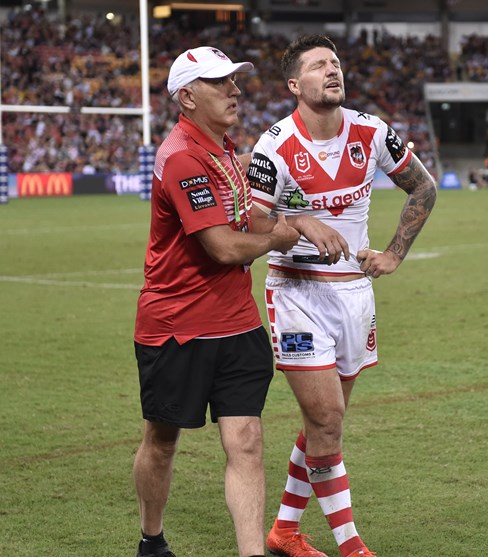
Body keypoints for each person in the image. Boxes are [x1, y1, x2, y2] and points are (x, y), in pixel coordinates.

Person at [246, 34, 437, 557]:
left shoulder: (371, 132)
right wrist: (302, 223)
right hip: (297, 294)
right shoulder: (274, 147)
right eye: (317, 66)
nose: (332, 71)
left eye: (335, 63)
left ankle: (284, 531)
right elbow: (253, 221)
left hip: (355, 295)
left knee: (322, 424)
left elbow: (424, 187)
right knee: (327, 420)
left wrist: (395, 252)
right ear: (294, 85)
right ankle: (351, 547)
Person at [132, 46, 304, 557]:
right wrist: (278, 239)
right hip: (176, 329)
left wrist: (292, 221)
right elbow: (224, 246)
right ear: (187, 96)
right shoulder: (182, 156)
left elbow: (246, 220)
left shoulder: (225, 149)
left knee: (247, 441)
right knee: (162, 442)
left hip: (237, 325)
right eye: (219, 82)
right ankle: (152, 538)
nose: (235, 89)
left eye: (235, 79)